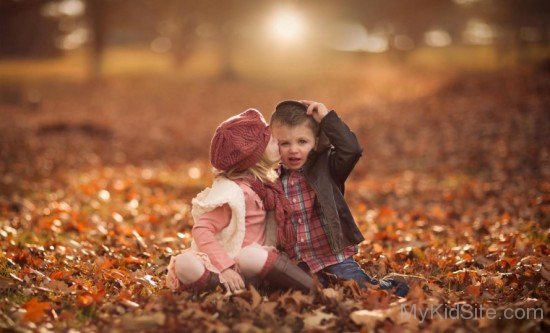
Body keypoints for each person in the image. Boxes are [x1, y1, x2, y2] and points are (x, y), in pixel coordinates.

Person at [270, 100, 409, 297]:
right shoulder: (272, 178)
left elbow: (352, 150)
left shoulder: (327, 167)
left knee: (359, 290)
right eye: (285, 143)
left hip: (333, 257)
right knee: (299, 293)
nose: (294, 149)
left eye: (302, 141)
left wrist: (327, 119)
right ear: (275, 144)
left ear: (316, 142)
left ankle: (395, 285)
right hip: (299, 262)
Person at [166, 109, 313, 294]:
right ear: (254, 156)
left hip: (253, 265)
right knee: (185, 263)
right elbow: (202, 229)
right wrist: (225, 268)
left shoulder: (267, 185)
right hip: (224, 264)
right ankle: (223, 287)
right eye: (272, 140)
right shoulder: (233, 193)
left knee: (250, 256)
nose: (279, 141)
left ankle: (311, 288)